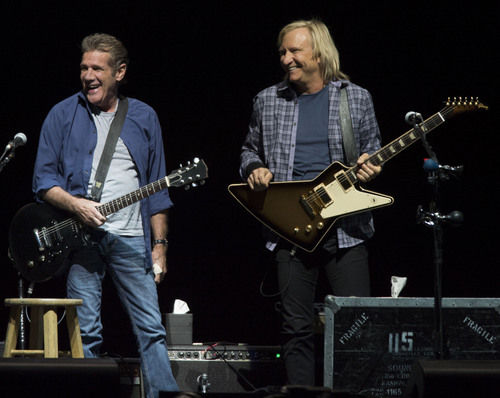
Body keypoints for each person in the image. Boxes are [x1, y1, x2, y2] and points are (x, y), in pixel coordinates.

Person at [32, 33, 179, 397]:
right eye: (84, 67)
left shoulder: (145, 116)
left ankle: (163, 393)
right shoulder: (61, 114)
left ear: (120, 72)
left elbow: (157, 189)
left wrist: (159, 246)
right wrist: (76, 205)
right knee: (86, 330)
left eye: (97, 68)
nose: (88, 75)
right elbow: (43, 181)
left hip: (132, 239)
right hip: (81, 241)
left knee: (151, 329)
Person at [239, 19, 382, 386]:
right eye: (283, 52)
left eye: (294, 51)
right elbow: (249, 150)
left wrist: (370, 168)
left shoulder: (356, 97)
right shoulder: (267, 100)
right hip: (291, 227)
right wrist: (254, 168)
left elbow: (373, 151)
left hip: (346, 229)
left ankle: (350, 392)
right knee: (296, 326)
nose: (286, 58)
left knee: (355, 323)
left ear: (319, 53)